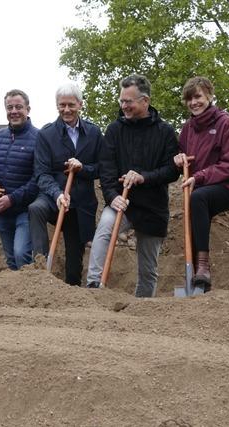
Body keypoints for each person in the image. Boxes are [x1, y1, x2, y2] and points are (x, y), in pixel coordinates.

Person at [86, 74, 180, 296]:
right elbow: (106, 169)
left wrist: (143, 177)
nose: (124, 106)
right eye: (122, 101)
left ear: (145, 101)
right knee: (104, 229)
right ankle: (93, 287)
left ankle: (142, 310)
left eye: (129, 101)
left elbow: (171, 171)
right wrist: (111, 196)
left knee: (148, 269)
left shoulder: (164, 132)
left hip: (153, 206)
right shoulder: (114, 130)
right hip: (122, 202)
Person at [29, 83, 103, 286]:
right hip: (54, 197)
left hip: (80, 205)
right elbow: (41, 173)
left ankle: (72, 292)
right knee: (36, 209)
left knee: (73, 263)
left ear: (80, 104)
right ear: (56, 106)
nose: (66, 109)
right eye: (62, 105)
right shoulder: (46, 135)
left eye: (71, 104)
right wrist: (57, 194)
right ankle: (40, 264)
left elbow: (102, 169)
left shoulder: (94, 133)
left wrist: (83, 168)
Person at [173, 76, 229, 291]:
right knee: (193, 212)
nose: (194, 102)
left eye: (198, 97)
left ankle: (203, 266)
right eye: (189, 99)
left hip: (225, 187)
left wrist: (200, 176)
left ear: (209, 96)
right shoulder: (187, 128)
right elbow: (180, 155)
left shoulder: (224, 122)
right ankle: (198, 280)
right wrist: (178, 159)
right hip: (197, 189)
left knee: (198, 198)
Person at [0, 89, 39, 270]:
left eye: (18, 107)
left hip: (25, 209)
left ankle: (30, 293)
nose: (14, 111)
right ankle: (15, 298)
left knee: (21, 253)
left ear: (28, 109)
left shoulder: (38, 138)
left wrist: (12, 199)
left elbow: (38, 178)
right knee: (11, 259)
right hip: (3, 210)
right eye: (10, 107)